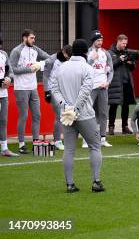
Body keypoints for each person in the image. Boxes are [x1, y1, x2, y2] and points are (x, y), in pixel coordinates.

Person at [49, 39, 104, 193]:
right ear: (86, 51)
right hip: (84, 114)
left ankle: (70, 184)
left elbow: (54, 89)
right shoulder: (87, 68)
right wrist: (76, 108)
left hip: (67, 115)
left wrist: (65, 106)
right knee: (94, 146)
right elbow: (86, 91)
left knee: (69, 150)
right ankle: (96, 182)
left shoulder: (61, 68)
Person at [9, 29, 50, 154]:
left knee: (37, 115)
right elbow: (13, 69)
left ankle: (36, 143)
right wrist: (30, 69)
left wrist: (40, 64)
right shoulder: (16, 51)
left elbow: (49, 57)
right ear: (24, 38)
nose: (34, 40)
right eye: (31, 38)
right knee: (24, 116)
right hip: (21, 88)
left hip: (33, 88)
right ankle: (21, 144)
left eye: (34, 38)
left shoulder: (35, 49)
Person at [86, 30, 114, 148]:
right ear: (93, 41)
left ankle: (102, 138)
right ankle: (86, 138)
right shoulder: (87, 52)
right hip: (91, 87)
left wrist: (108, 82)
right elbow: (84, 68)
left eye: (101, 40)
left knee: (103, 113)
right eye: (98, 40)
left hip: (103, 87)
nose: (100, 42)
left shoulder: (105, 53)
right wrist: (92, 59)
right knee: (88, 112)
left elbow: (111, 70)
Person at [43, 44, 72, 151]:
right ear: (63, 52)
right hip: (53, 90)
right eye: (67, 56)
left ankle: (66, 138)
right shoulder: (52, 60)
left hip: (64, 90)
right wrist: (46, 91)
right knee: (59, 115)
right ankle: (57, 141)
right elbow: (45, 75)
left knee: (67, 115)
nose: (68, 58)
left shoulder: (69, 60)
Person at [108, 34, 138, 135]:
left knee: (126, 106)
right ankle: (111, 127)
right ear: (118, 41)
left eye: (126, 43)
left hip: (126, 82)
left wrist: (131, 63)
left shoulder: (127, 52)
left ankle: (125, 127)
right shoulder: (109, 53)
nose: (125, 45)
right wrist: (119, 60)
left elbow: (133, 68)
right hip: (115, 83)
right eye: (123, 43)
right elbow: (109, 67)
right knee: (113, 105)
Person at [0, 35, 18, 157]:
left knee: (3, 120)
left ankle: (5, 148)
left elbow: (10, 71)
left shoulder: (4, 54)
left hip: (3, 93)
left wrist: (8, 79)